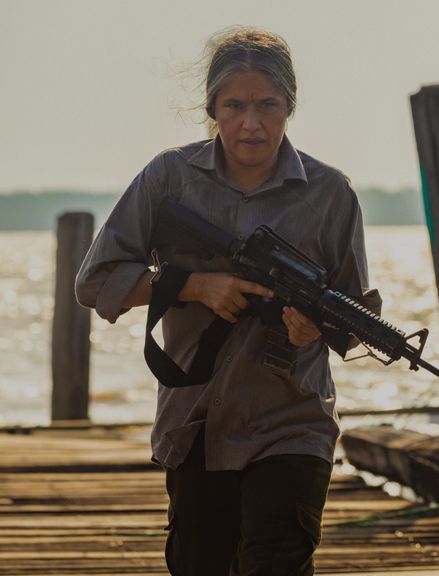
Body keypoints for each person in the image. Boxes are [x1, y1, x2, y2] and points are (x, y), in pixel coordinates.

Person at [75, 27, 380, 575]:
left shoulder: (331, 193)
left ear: (290, 106)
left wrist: (318, 328)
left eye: (268, 105)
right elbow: (94, 281)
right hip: (197, 423)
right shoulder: (169, 178)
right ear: (211, 107)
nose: (251, 122)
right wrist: (193, 287)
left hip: (293, 419)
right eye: (234, 105)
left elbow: (354, 315)